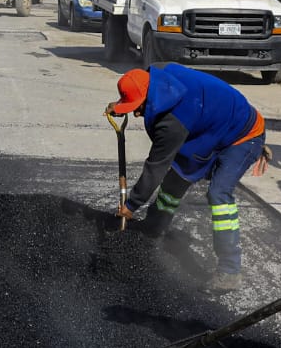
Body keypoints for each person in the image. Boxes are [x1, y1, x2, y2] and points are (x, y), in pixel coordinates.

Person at [107, 65, 269, 293]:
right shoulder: (159, 81)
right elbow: (140, 88)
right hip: (213, 125)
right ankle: (154, 228)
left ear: (150, 98)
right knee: (175, 181)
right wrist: (123, 104)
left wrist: (131, 205)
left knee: (219, 193)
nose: (136, 114)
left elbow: (156, 167)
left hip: (244, 135)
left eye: (138, 108)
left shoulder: (173, 123)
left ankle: (230, 270)